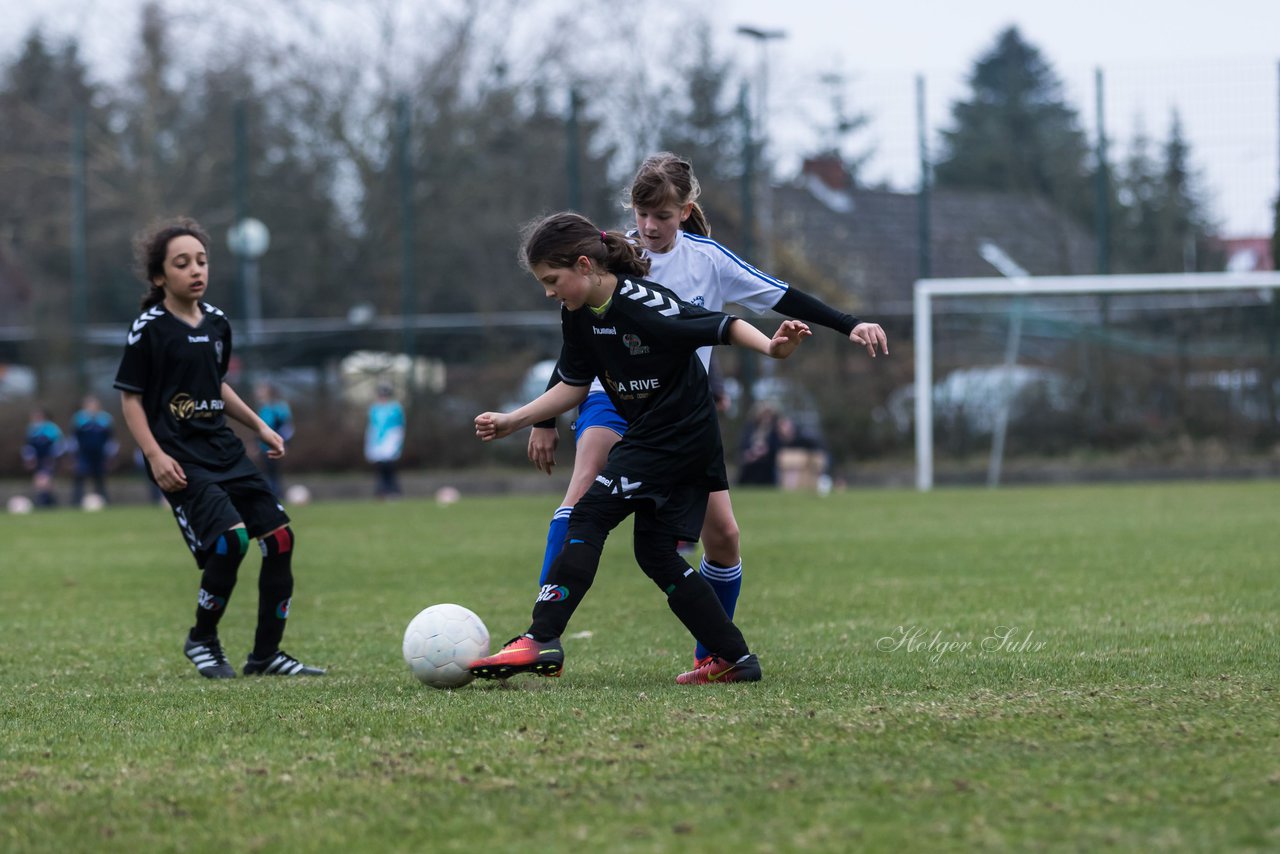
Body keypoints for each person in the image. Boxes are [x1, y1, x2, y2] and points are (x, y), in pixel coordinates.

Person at [525, 153, 889, 665]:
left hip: (678, 411)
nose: (649, 227)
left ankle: (713, 657)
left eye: (663, 217)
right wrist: (543, 419)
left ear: (686, 210)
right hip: (613, 399)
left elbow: (781, 296)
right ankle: (541, 636)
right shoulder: (608, 256)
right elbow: (578, 339)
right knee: (585, 483)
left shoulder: (708, 260)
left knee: (724, 537)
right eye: (641, 213)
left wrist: (848, 323)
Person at [468, 212, 812, 685]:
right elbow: (573, 383)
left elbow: (724, 325)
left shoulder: (646, 306)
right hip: (668, 436)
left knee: (589, 516)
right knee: (655, 553)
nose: (549, 291)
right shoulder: (578, 313)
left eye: (553, 279)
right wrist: (515, 419)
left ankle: (541, 636)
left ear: (585, 265)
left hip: (677, 436)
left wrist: (773, 350)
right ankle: (735, 657)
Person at [113, 217, 324, 679]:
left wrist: (260, 426)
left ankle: (266, 655)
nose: (195, 270)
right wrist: (154, 455)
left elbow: (218, 385)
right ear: (159, 277)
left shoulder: (217, 323)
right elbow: (130, 398)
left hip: (225, 451)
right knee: (231, 541)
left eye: (202, 261)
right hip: (179, 455)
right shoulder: (150, 328)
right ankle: (202, 639)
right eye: (182, 263)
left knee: (280, 539)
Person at [69, 394, 117, 504]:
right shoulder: (78, 418)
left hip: (100, 455)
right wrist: (72, 456)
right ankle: (75, 502)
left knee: (100, 479)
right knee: (80, 477)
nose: (92, 407)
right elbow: (73, 439)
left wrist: (111, 456)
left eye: (94, 404)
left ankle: (105, 501)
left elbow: (111, 440)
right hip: (83, 454)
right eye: (89, 405)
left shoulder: (106, 419)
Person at [365, 384, 404, 498]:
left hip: (391, 441)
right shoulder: (374, 409)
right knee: (380, 469)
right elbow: (372, 428)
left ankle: (394, 491)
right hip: (378, 443)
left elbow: (399, 427)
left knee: (390, 467)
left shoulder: (395, 408)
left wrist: (397, 444)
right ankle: (381, 491)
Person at [254, 382, 293, 498]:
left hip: (275, 446)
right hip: (263, 447)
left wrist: (285, 444)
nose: (259, 392)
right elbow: (259, 428)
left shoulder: (279, 408)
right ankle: (272, 495)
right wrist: (256, 444)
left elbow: (286, 428)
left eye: (262, 390)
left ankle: (277, 495)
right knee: (266, 472)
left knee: (274, 473)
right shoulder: (263, 408)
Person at [22, 406, 65, 507]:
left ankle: (46, 502)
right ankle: (48, 502)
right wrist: (29, 459)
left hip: (49, 459)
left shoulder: (52, 428)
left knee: (44, 480)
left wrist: (52, 457)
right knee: (39, 481)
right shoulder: (31, 429)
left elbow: (60, 444)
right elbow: (28, 446)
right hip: (37, 460)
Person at [738, 401, 782, 486]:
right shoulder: (750, 428)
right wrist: (750, 453)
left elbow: (776, 447)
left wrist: (765, 451)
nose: (766, 418)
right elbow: (743, 444)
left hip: (766, 465)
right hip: (750, 463)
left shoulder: (774, 430)